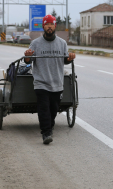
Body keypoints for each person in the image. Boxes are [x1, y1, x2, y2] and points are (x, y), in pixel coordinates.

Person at [24, 14, 76, 145]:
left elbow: (65, 61)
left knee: (53, 109)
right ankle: (46, 133)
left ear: (55, 26)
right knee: (43, 108)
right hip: (41, 82)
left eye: (51, 24)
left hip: (57, 82)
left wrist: (69, 59)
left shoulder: (62, 43)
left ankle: (50, 127)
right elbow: (28, 61)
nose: (49, 27)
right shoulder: (35, 43)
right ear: (43, 26)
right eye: (47, 24)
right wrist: (27, 57)